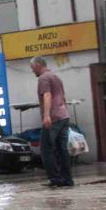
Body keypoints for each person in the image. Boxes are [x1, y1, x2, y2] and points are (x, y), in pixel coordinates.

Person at [30, 56, 73, 187]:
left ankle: (55, 179)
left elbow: (47, 96)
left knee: (46, 149)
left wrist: (47, 116)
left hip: (53, 118)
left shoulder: (43, 78)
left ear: (38, 65)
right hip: (64, 116)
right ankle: (67, 179)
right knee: (62, 149)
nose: (32, 71)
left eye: (32, 68)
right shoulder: (55, 76)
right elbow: (62, 97)